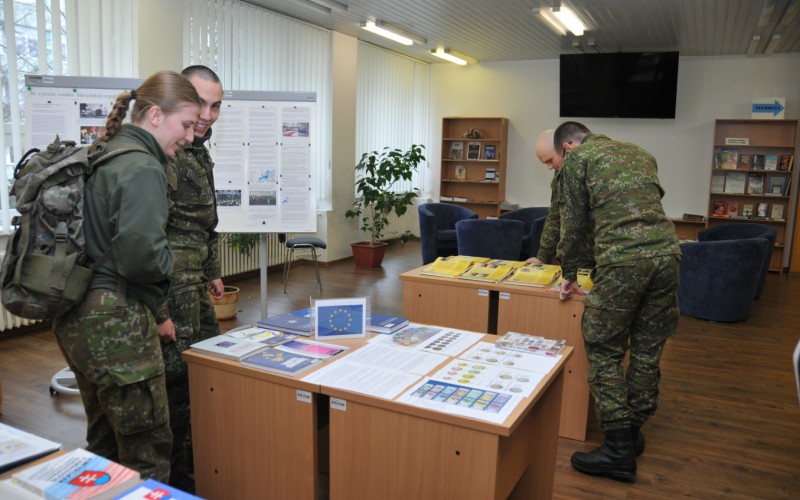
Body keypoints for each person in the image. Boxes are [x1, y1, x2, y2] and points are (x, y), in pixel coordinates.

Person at [53, 71, 202, 482]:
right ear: (155, 115)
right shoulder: (142, 167)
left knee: (104, 442)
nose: (190, 136)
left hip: (78, 315)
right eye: (186, 124)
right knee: (147, 451)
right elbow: (142, 257)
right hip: (116, 324)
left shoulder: (103, 153)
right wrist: (173, 260)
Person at [554, 121, 681, 481]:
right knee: (646, 347)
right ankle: (633, 431)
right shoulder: (642, 153)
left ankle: (617, 450)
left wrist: (569, 274)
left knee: (603, 347)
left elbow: (575, 224)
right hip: (668, 257)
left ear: (567, 146)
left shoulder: (578, 161)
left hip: (624, 261)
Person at [156, 65, 225, 491]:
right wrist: (159, 306)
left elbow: (205, 221)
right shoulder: (167, 150)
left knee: (206, 372)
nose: (207, 114)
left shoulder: (197, 148)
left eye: (216, 105)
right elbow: (149, 234)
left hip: (193, 281)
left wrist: (212, 271)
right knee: (177, 384)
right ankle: (178, 478)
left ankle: (208, 456)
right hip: (169, 286)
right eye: (200, 103)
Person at [526, 128, 594, 268]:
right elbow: (555, 217)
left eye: (550, 160)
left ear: (564, 149)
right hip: (581, 257)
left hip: (609, 255)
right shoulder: (562, 172)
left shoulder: (596, 166)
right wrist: (542, 257)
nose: (549, 167)